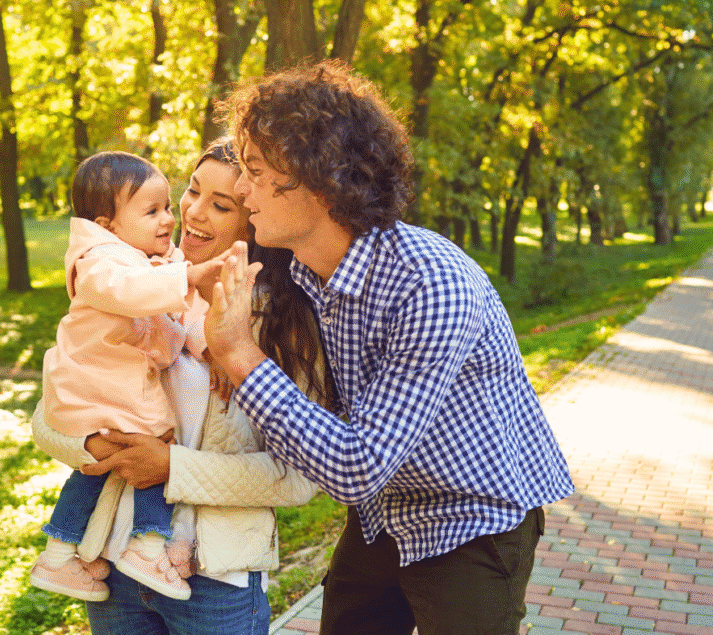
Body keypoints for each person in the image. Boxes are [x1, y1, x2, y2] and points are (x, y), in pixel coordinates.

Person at [204, 60, 575, 635]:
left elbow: (355, 465)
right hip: (386, 509)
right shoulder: (305, 271)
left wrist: (238, 356)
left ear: (317, 180)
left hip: (473, 513)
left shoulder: (430, 284)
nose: (241, 186)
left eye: (254, 169)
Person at [31, 137, 329, 635]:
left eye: (221, 204)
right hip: (113, 562)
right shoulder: (135, 283)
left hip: (214, 578)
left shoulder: (285, 324)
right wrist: (96, 444)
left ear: (255, 216)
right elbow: (49, 418)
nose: (192, 212)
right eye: (191, 191)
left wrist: (169, 467)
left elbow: (297, 477)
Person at [33, 151, 212, 602]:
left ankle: (58, 554)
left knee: (97, 470)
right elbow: (132, 293)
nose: (169, 219)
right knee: (156, 441)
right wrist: (186, 276)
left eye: (167, 206)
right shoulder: (100, 261)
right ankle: (149, 545)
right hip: (99, 387)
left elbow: (168, 328)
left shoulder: (129, 258)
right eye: (152, 211)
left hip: (94, 388)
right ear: (107, 224)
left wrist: (211, 344)